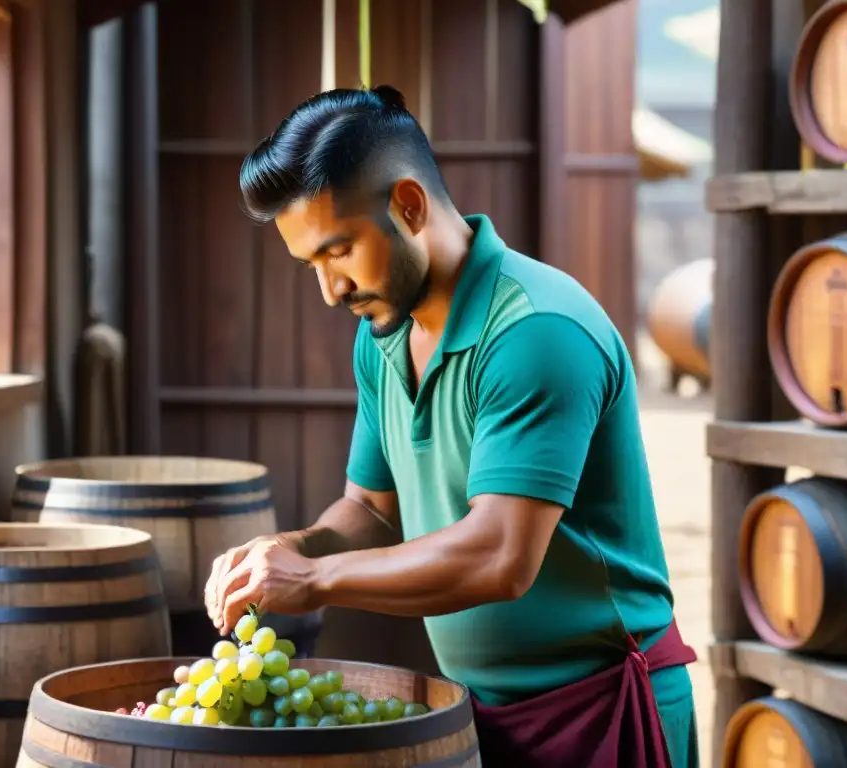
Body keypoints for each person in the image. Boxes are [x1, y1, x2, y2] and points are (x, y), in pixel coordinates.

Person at [204, 84, 698, 767]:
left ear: (408, 205)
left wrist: (315, 581)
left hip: (605, 707)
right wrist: (289, 548)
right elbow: (370, 511)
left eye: (339, 251)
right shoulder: (381, 335)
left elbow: (502, 555)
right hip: (476, 713)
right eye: (311, 265)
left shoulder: (535, 331)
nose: (329, 289)